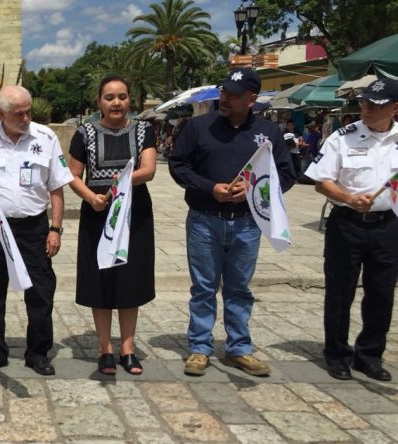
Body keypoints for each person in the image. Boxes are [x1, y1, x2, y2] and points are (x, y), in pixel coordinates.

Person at [169, 67, 295, 377]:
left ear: (252, 99)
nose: (225, 98)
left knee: (239, 288)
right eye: (224, 92)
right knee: (203, 287)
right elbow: (178, 166)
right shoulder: (197, 127)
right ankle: (199, 347)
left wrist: (252, 191)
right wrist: (209, 187)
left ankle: (239, 347)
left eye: (234, 95)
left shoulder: (269, 133)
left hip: (247, 223)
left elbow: (286, 175)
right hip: (204, 220)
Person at [0, 85, 73, 376]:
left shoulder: (45, 138)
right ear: (1, 114)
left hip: (34, 228)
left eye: (28, 111)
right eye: (18, 113)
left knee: (40, 292)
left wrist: (55, 229)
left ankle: (38, 352)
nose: (26, 118)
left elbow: (57, 188)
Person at [304, 77, 398, 382]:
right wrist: (347, 198)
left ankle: (369, 355)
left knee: (381, 294)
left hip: (388, 226)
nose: (367, 109)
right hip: (347, 224)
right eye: (364, 103)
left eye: (376, 105)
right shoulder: (343, 138)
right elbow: (321, 181)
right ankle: (337, 354)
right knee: (340, 292)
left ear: (394, 108)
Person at [67, 76, 157, 376]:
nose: (116, 102)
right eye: (109, 97)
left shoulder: (144, 130)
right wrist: (91, 196)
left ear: (129, 99)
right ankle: (105, 347)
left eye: (121, 96)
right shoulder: (85, 133)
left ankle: (128, 348)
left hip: (134, 213)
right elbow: (73, 175)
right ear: (99, 102)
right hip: (98, 212)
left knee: (131, 279)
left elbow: (148, 170)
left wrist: (121, 182)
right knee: (101, 278)